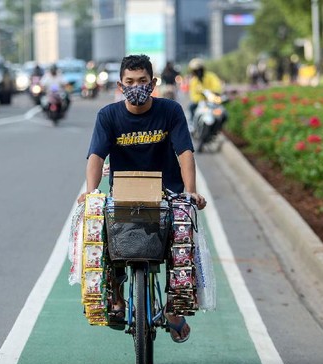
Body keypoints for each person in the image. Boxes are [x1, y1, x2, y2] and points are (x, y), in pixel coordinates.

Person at [78, 54, 207, 343]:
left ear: (153, 83)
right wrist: (91, 191)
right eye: (130, 82)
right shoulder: (108, 116)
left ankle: (174, 308)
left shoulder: (170, 111)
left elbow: (185, 152)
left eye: (143, 81)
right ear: (120, 85)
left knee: (181, 242)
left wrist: (190, 190)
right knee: (106, 240)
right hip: (124, 195)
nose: (137, 86)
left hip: (168, 193)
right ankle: (117, 296)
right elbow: (96, 156)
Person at [188, 57, 223, 123]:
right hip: (200, 102)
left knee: (223, 112)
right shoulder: (194, 81)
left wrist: (215, 92)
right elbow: (193, 95)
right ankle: (191, 124)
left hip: (212, 101)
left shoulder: (211, 76)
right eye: (196, 70)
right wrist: (199, 99)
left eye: (200, 70)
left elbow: (217, 86)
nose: (198, 72)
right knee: (191, 107)